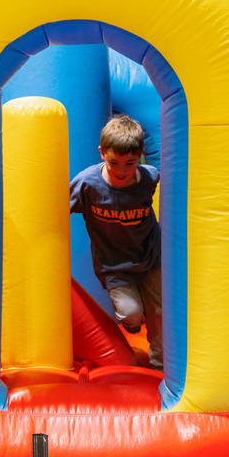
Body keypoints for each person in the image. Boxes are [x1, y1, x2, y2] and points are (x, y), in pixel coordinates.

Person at [69, 114, 163, 370]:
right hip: (114, 265)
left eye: (130, 163)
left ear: (141, 156)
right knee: (131, 314)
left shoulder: (150, 178)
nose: (122, 171)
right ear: (101, 153)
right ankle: (133, 322)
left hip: (152, 256)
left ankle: (158, 368)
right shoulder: (87, 184)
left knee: (160, 314)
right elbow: (56, 209)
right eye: (114, 162)